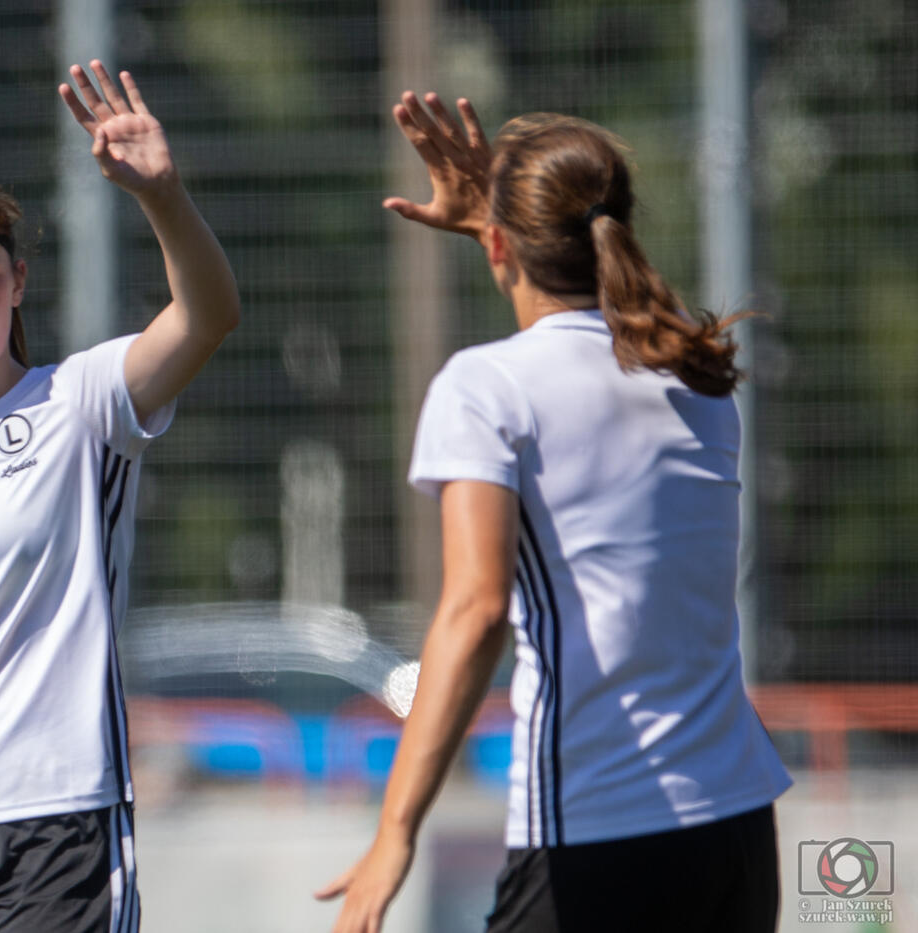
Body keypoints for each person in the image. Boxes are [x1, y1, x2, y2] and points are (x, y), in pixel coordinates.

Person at [316, 92, 791, 932]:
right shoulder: (697, 371)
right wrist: (501, 231)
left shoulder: (486, 387)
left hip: (595, 825)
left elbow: (475, 609)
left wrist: (395, 830)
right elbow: (607, 311)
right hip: (736, 825)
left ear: (500, 247)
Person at [0, 61, 239, 933]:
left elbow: (208, 315)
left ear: (18, 282)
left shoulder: (85, 398)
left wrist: (163, 195)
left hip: (59, 811)